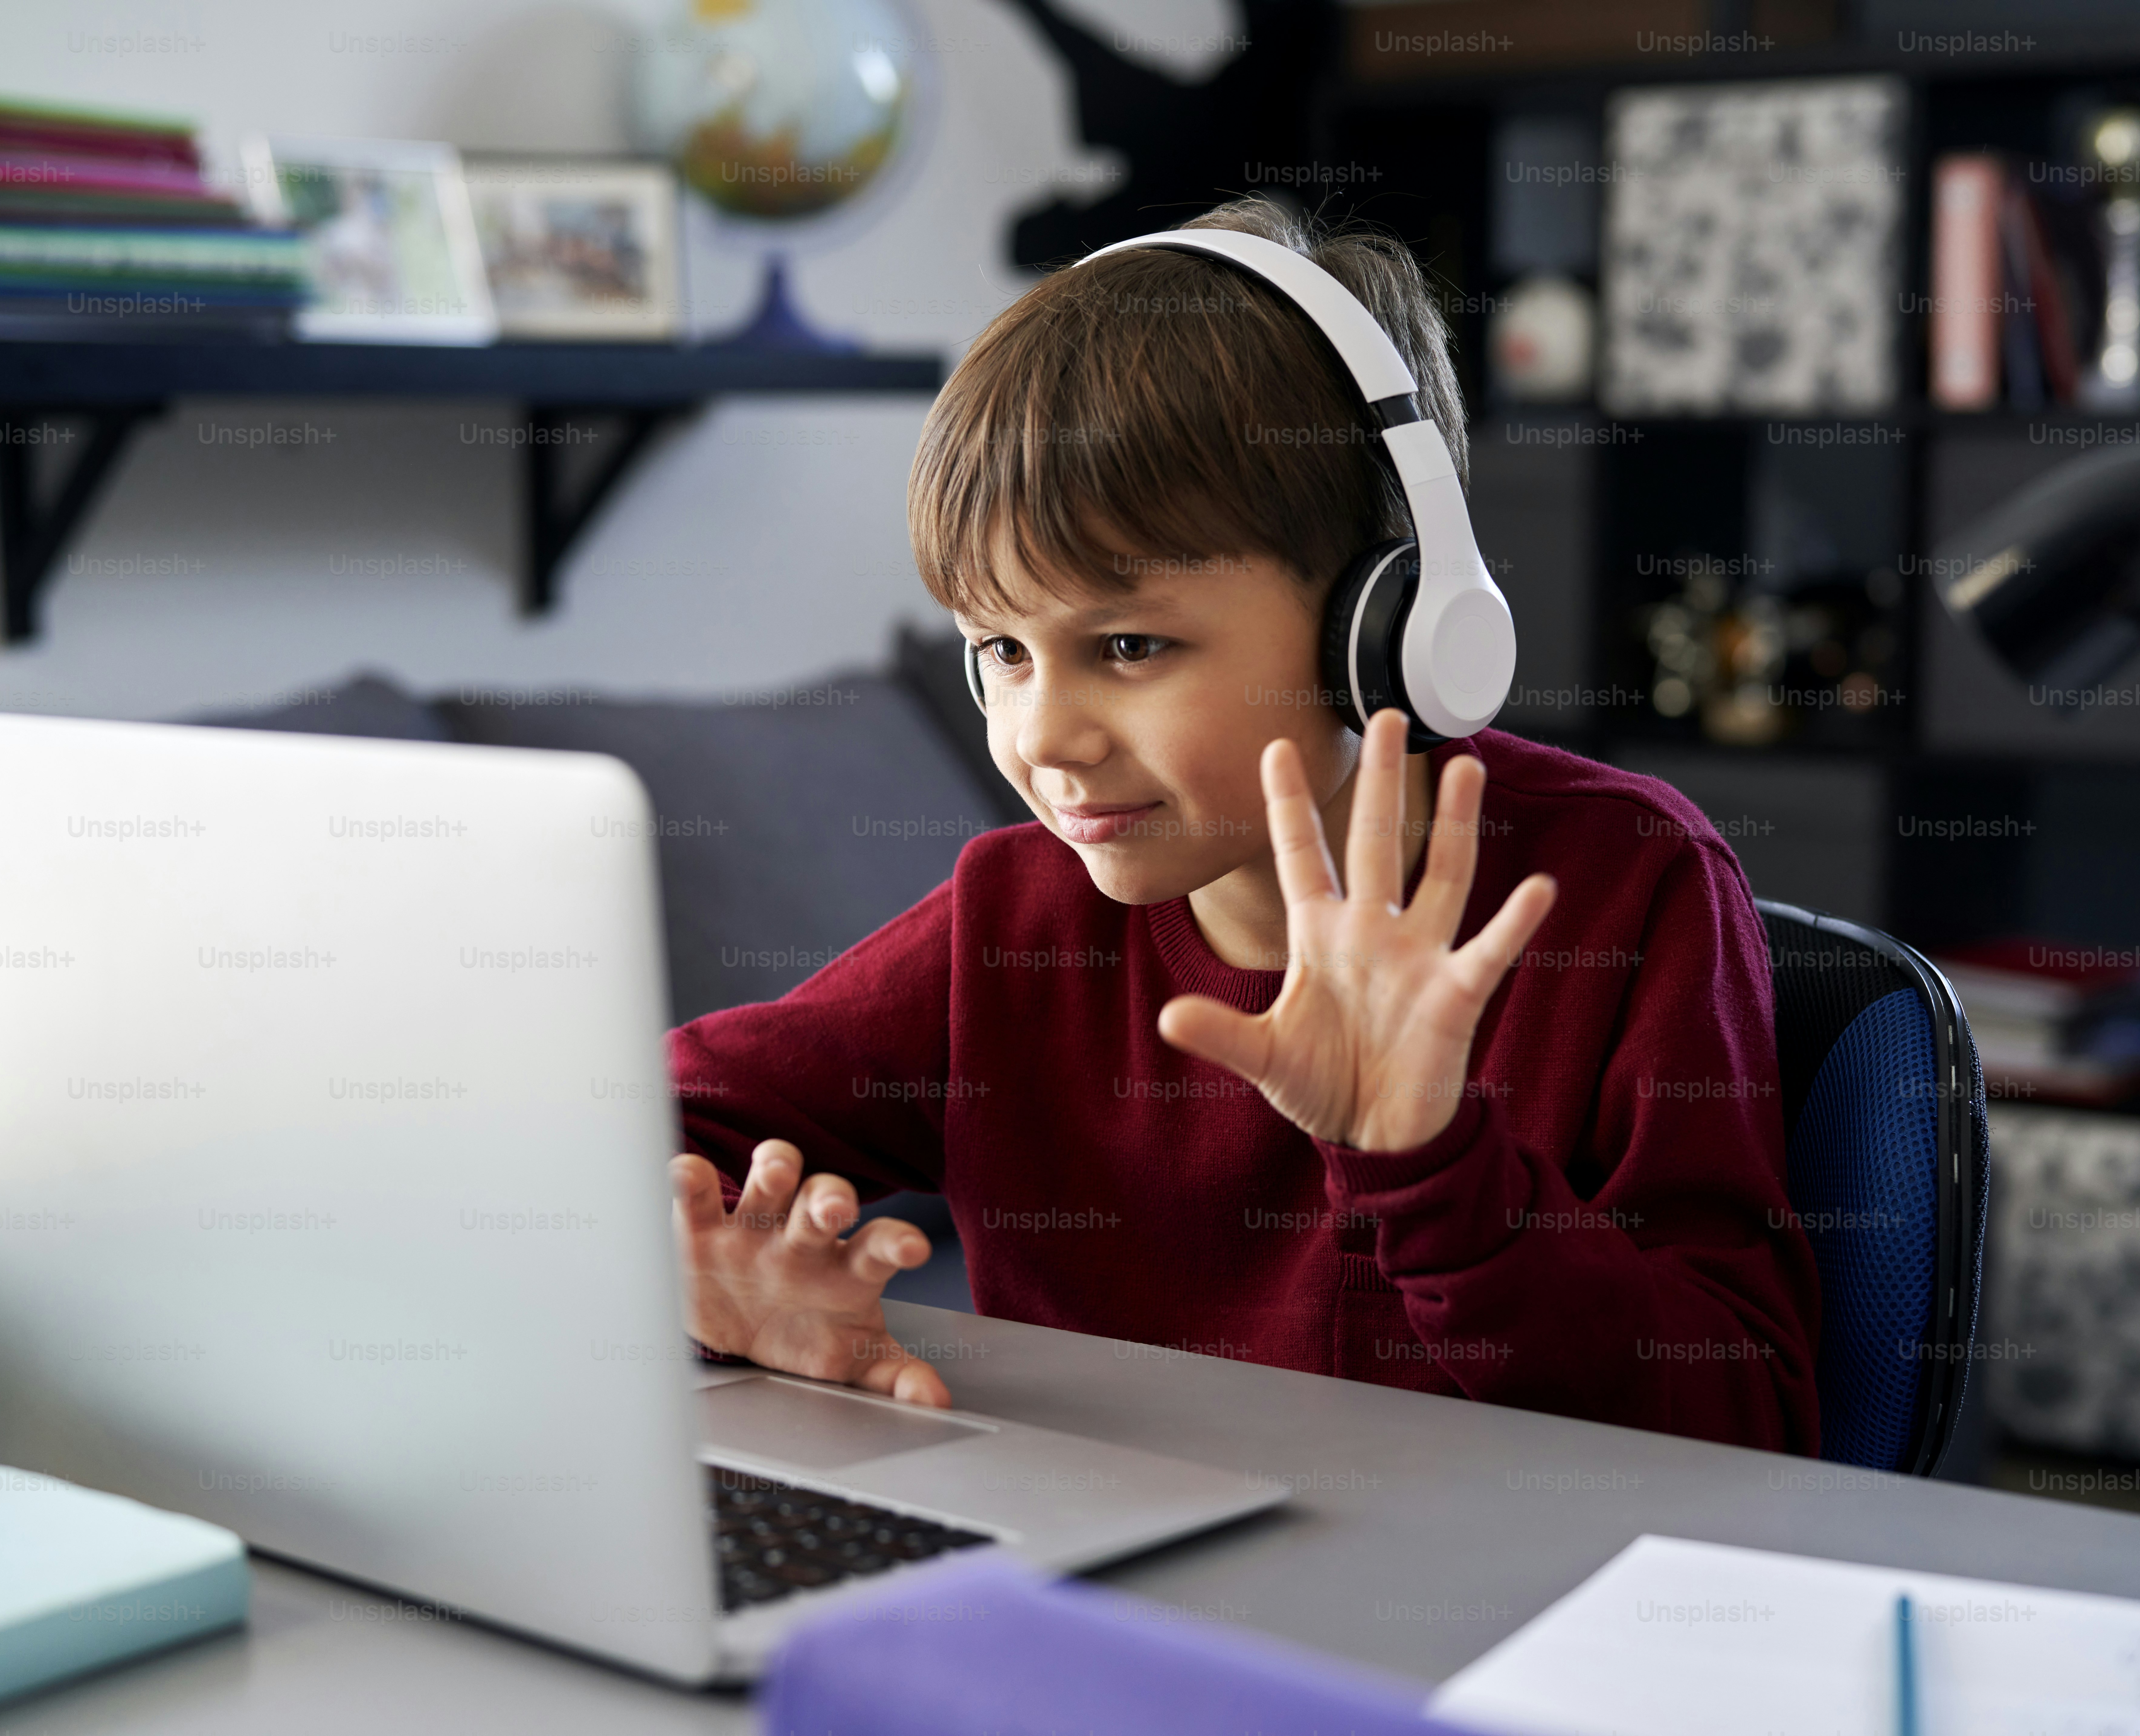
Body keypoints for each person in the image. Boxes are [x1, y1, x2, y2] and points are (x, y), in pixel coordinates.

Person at [668, 196, 1821, 1455]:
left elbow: (1747, 1429)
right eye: (999, 648)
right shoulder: (1016, 919)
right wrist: (706, 1279)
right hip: (1109, 1586)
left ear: (1387, 626)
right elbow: (645, 1119)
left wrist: (1435, 1167)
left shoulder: (1621, 890)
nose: (1043, 737)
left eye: (1127, 645)